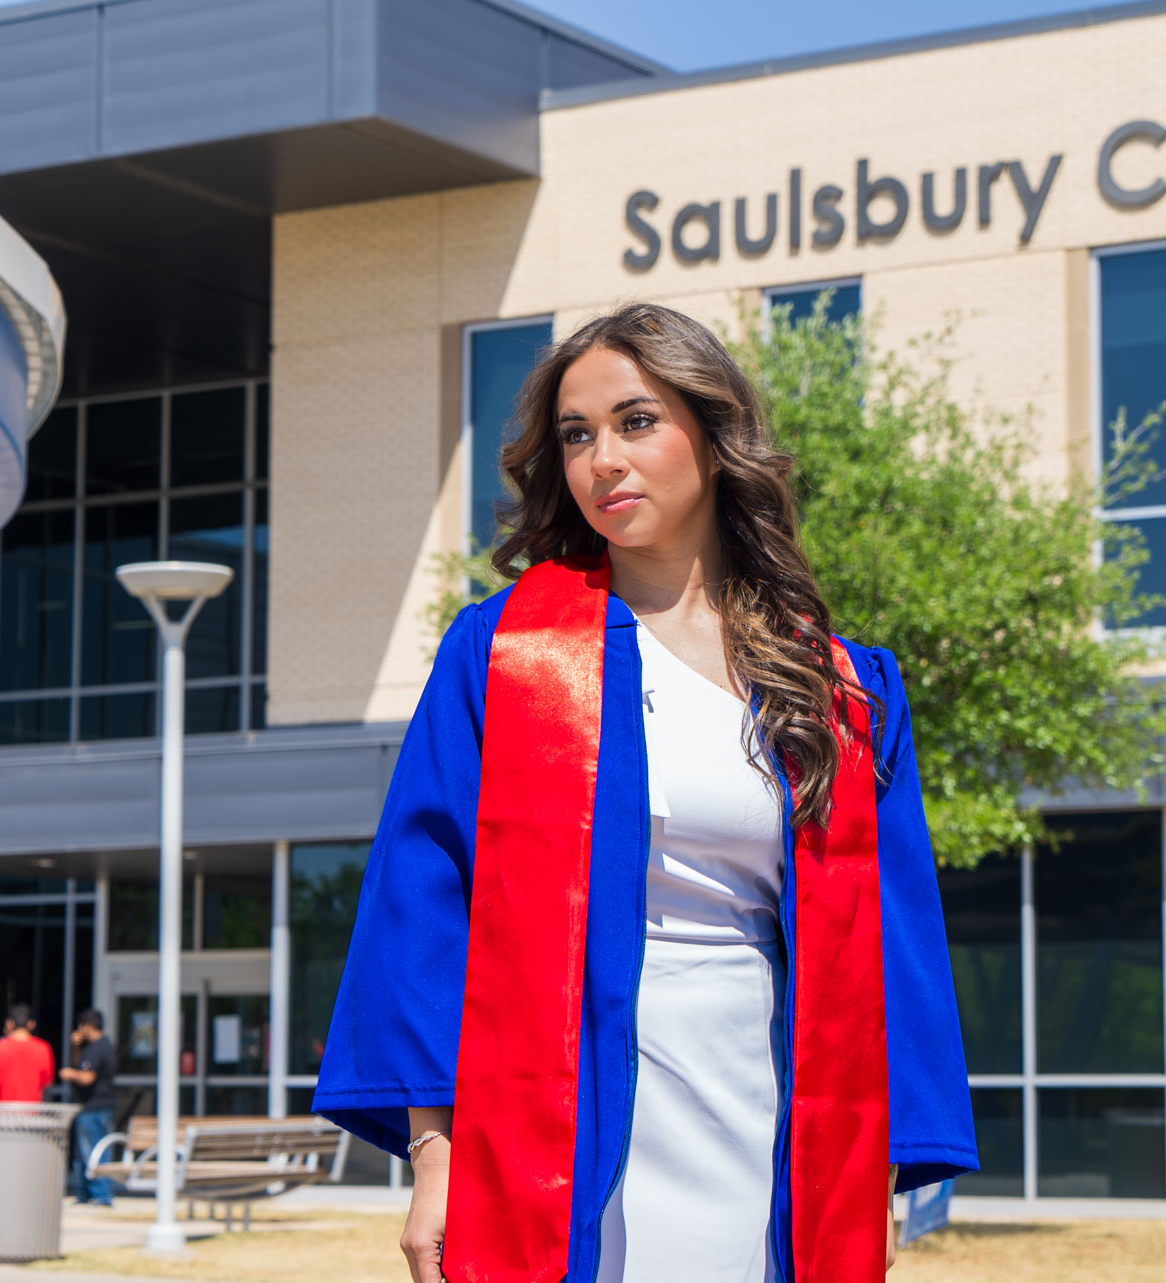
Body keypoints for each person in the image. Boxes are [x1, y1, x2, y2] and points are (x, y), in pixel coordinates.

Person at [314, 303, 976, 1283]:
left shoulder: (838, 686)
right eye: (576, 434)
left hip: (766, 1111)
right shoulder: (506, 657)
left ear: (713, 435)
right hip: (559, 1119)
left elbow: (894, 942)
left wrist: (871, 1180)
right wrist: (436, 1151)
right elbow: (423, 909)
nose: (603, 460)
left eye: (635, 421)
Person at [61, 1008, 118, 1207]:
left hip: (94, 1107)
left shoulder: (97, 1048)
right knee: (87, 1152)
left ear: (88, 1026)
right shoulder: (100, 1046)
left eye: (80, 1026)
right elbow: (81, 1065)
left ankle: (100, 1194)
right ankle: (85, 1193)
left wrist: (69, 1074)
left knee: (93, 1152)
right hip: (97, 1107)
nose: (78, 1031)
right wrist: (76, 1046)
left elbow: (87, 1077)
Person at [0, 1004, 55, 1104]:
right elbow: (47, 1082)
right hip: (33, 1110)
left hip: (5, 1110)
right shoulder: (43, 1048)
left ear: (9, 1024)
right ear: (32, 1024)